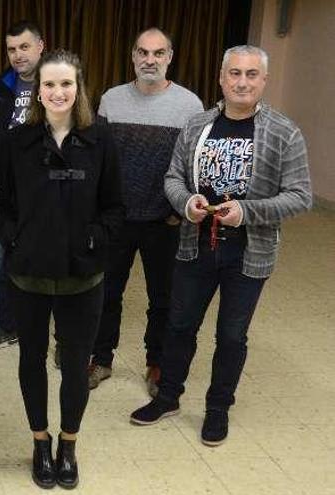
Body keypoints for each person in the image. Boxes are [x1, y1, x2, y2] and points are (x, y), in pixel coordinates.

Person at [130, 45, 312, 446]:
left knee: (231, 336)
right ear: (221, 78)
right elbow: (173, 178)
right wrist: (186, 203)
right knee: (179, 326)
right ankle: (168, 397)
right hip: (196, 246)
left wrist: (246, 211)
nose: (242, 82)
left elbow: (300, 195)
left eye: (251, 75)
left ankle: (217, 408)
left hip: (249, 252)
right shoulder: (197, 125)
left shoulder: (284, 132)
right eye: (234, 73)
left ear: (263, 81)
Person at [0, 49, 123, 490]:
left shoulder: (100, 138)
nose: (57, 92)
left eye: (66, 83)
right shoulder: (17, 141)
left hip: (82, 276)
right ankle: (40, 440)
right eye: (49, 84)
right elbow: (2, 206)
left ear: (79, 86)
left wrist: (94, 239)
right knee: (30, 359)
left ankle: (68, 443)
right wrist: (15, 238)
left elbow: (114, 207)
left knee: (73, 364)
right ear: (38, 90)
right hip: (28, 273)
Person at [89, 28, 204, 393]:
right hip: (117, 220)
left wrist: (178, 210)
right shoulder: (111, 99)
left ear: (170, 57)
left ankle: (156, 363)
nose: (150, 60)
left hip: (164, 221)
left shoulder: (190, 105)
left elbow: (195, 165)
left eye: (158, 53)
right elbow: (99, 160)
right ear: (133, 56)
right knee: (106, 293)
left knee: (164, 299)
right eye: (143, 52)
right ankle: (101, 359)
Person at [0, 20, 45, 351]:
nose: (18, 55)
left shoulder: (56, 83)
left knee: (41, 263)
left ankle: (39, 327)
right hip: (5, 191)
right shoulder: (3, 85)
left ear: (40, 45)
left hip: (42, 192)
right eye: (12, 49)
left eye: (24, 47)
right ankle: (8, 325)